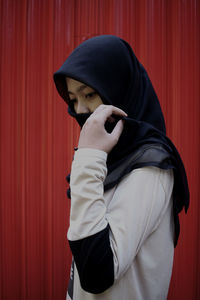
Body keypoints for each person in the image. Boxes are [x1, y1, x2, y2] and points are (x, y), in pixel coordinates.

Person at [53, 35, 189, 300]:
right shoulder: (112, 157)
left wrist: (88, 157)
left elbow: (97, 273)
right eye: (72, 99)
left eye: (89, 95)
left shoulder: (150, 167)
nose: (81, 111)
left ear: (119, 88)